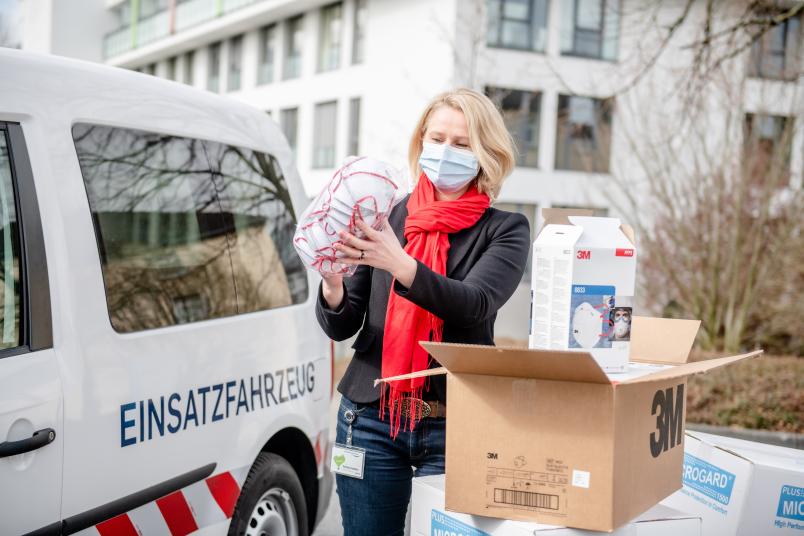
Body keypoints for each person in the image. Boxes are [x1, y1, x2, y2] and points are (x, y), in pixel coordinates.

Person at [316, 88, 530, 535]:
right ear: (421, 142)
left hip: (455, 425)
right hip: (370, 418)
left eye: (461, 143)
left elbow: (474, 306)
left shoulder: (505, 230)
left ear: (487, 153)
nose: (445, 152)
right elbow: (345, 324)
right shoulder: (388, 214)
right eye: (436, 139)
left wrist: (400, 264)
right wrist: (332, 282)